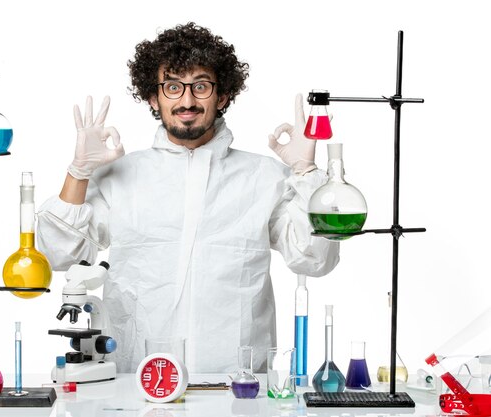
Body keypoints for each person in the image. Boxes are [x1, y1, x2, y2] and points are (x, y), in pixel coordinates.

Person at [37, 22, 339, 373]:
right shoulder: (123, 176)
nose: (187, 101)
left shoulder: (264, 177)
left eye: (200, 86)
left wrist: (307, 174)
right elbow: (59, 255)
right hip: (137, 377)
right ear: (154, 97)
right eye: (173, 86)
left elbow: (315, 260)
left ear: (222, 95)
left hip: (237, 384)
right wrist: (78, 172)